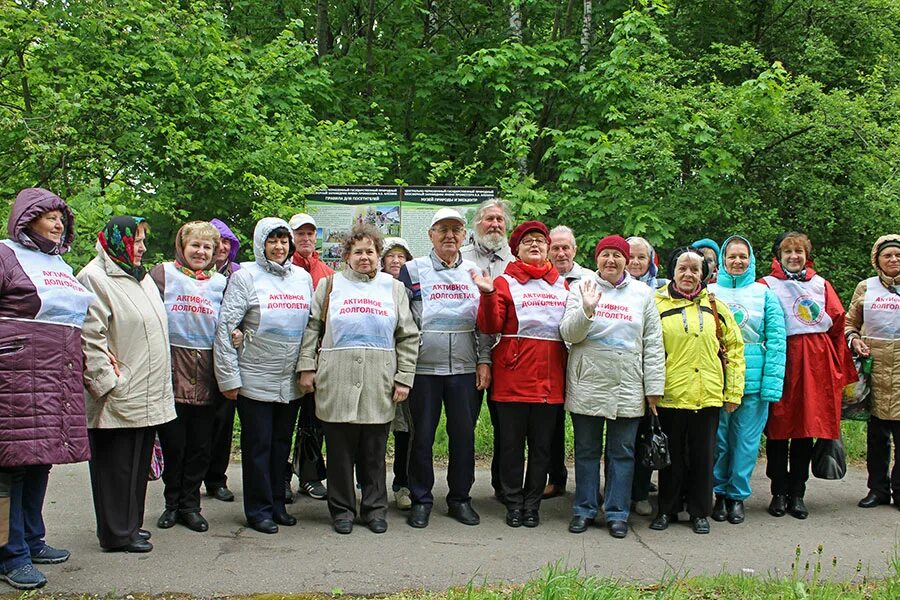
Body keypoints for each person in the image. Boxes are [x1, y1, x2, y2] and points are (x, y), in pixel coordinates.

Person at [0, 189, 95, 589]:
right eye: (49, 217)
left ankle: (32, 539)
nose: (58, 224)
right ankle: (10, 553)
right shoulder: (5, 254)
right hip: (15, 378)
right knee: (11, 468)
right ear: (26, 219)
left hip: (56, 375)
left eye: (61, 218)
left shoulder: (57, 263)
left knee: (41, 459)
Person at [298, 225, 419, 534]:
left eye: (370, 251)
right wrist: (307, 368)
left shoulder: (392, 288)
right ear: (346, 257)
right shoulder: (329, 286)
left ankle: (375, 509)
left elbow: (407, 336)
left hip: (380, 379)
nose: (365, 257)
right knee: (339, 450)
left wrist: (404, 378)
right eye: (358, 252)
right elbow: (312, 329)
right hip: (335, 377)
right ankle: (342, 509)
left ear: (378, 255)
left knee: (374, 451)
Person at [78, 216, 176, 552]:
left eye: (144, 240)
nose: (143, 247)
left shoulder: (140, 278)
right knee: (115, 466)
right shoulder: (94, 278)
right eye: (137, 240)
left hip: (146, 389)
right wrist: (108, 383)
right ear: (118, 241)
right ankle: (116, 533)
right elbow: (90, 336)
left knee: (136, 464)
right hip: (119, 392)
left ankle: (130, 524)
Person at [560, 235, 665, 538]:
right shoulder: (580, 287)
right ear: (596, 259)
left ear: (626, 260)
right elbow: (568, 332)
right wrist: (587, 311)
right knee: (587, 450)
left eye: (617, 256)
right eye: (605, 255)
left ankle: (618, 512)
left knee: (622, 452)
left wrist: (654, 387)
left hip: (629, 380)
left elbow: (652, 343)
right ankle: (584, 509)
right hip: (588, 378)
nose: (611, 261)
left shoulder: (643, 294)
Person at [214, 218, 313, 534]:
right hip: (254, 377)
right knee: (258, 446)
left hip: (290, 380)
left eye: (284, 241)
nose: (279, 247)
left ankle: (276, 504)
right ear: (260, 244)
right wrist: (229, 379)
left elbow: (310, 326)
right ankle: (257, 510)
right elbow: (227, 327)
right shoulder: (245, 277)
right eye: (273, 241)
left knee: (281, 444)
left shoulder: (302, 277)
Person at [400, 208, 491, 529]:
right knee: (422, 437)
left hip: (465, 369)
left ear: (464, 235)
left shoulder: (476, 271)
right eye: (443, 230)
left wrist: (484, 361)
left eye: (456, 230)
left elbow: (484, 322)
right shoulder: (412, 271)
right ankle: (421, 499)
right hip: (423, 369)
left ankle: (459, 499)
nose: (450, 235)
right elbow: (403, 320)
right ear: (431, 235)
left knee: (463, 436)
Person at [474, 220, 568, 528]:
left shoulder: (561, 284)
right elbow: (489, 327)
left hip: (550, 380)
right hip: (512, 378)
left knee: (542, 448)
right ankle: (513, 503)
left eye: (541, 241)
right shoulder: (504, 282)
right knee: (512, 447)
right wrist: (487, 296)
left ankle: (532, 504)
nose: (535, 245)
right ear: (516, 249)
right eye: (528, 241)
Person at [650, 248, 745, 534]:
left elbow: (735, 350)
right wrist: (650, 390)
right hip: (670, 393)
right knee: (672, 457)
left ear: (704, 274)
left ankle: (699, 511)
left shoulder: (716, 305)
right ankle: (667, 509)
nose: (688, 274)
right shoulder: (657, 304)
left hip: (708, 395)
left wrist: (733, 393)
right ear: (673, 271)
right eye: (683, 269)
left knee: (703, 457)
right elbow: (648, 350)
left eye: (695, 270)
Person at [761, 232, 856, 519]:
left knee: (805, 428)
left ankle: (797, 492)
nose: (794, 256)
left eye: (799, 251)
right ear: (778, 255)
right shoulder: (767, 286)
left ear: (806, 255)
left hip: (815, 365)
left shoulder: (820, 285)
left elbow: (837, 325)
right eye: (788, 251)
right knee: (779, 429)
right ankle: (778, 491)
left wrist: (839, 368)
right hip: (782, 362)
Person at [150, 222, 227, 533]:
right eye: (195, 245)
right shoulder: (163, 273)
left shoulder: (221, 282)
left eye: (207, 247)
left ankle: (191, 504)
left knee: (200, 444)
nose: (201, 252)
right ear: (183, 246)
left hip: (208, 369)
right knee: (174, 442)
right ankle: (172, 504)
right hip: (172, 365)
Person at [709, 236, 787, 524]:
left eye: (743, 256)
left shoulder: (764, 294)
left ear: (751, 259)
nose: (737, 261)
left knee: (746, 442)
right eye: (732, 256)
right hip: (718, 379)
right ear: (723, 260)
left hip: (753, 380)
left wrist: (771, 385)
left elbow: (777, 342)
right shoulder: (709, 292)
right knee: (720, 441)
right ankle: (718, 493)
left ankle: (737, 496)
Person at [461, 198, 513, 499]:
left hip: (506, 359)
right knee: (464, 427)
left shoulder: (514, 262)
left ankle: (504, 487)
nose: (494, 225)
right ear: (476, 224)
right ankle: (462, 490)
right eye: (488, 219)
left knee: (506, 428)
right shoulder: (462, 258)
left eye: (499, 220)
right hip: (466, 356)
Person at [846, 234, 900, 509]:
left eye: (897, 255)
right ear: (877, 259)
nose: (893, 260)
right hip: (875, 369)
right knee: (877, 436)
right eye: (887, 255)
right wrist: (855, 340)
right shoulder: (865, 288)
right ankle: (877, 489)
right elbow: (849, 324)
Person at [285, 213, 332, 503]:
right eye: (299, 234)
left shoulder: (326, 272)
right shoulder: (284, 268)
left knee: (314, 421)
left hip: (319, 358)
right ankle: (281, 476)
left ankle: (310, 476)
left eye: (309, 234)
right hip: (287, 357)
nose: (305, 239)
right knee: (285, 421)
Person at [625, 235, 668, 517]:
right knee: (621, 439)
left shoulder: (663, 290)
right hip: (623, 373)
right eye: (630, 256)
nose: (636, 262)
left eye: (642, 257)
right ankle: (619, 489)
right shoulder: (610, 287)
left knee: (645, 434)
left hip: (652, 372)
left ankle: (640, 492)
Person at [543, 225, 585, 500]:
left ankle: (588, 482)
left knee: (586, 426)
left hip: (583, 361)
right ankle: (556, 477)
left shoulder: (589, 279)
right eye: (554, 248)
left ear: (574, 249)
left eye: (565, 247)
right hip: (551, 360)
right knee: (552, 424)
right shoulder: (542, 278)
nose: (560, 253)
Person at [203, 218, 242, 503]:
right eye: (218, 240)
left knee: (223, 421)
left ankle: (216, 479)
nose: (222, 246)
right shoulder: (188, 271)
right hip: (196, 356)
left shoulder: (239, 274)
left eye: (227, 241)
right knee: (194, 423)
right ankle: (187, 481)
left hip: (229, 357)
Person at [381, 238, 415, 510]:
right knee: (373, 429)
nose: (396, 261)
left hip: (405, 366)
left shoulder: (414, 287)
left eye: (401, 257)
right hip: (377, 366)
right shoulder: (375, 287)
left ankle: (402, 484)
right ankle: (370, 484)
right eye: (390, 256)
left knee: (406, 430)